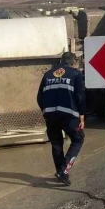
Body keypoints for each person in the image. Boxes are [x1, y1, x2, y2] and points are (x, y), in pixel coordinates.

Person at [37, 52, 86, 186]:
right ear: (74, 62)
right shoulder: (75, 74)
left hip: (50, 115)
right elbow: (80, 96)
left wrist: (45, 111)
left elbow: (39, 96)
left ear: (61, 61)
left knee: (56, 143)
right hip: (69, 115)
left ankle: (61, 172)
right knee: (78, 139)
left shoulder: (47, 75)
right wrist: (82, 114)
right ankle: (63, 170)